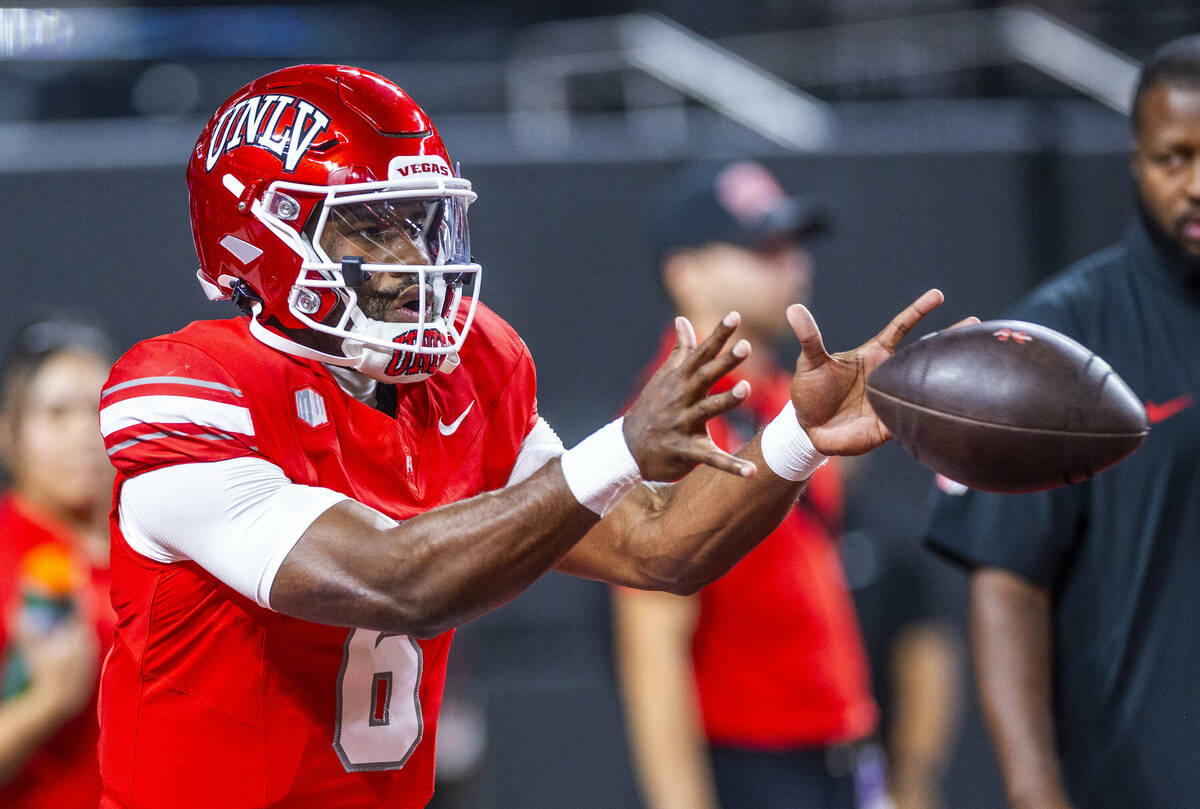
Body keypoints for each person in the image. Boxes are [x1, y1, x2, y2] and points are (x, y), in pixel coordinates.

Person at [96, 65, 952, 809]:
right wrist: (619, 446)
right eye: (371, 225)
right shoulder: (194, 392)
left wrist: (796, 437)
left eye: (418, 220)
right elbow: (392, 580)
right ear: (262, 230)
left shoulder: (466, 372)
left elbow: (659, 546)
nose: (412, 257)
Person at [613, 161, 955, 809]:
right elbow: (651, 652)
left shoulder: (778, 399)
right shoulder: (671, 423)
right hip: (754, 766)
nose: (793, 264)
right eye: (760, 248)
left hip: (839, 756)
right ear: (685, 273)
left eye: (793, 244)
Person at [925, 35, 1200, 809]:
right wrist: (1033, 786)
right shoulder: (1063, 339)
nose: (1197, 184)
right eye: (1173, 158)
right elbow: (1009, 581)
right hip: (1135, 784)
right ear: (1135, 162)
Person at [0, 315, 117, 809]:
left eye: (98, 409)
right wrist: (42, 704)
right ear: (9, 431)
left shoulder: (153, 549)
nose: (83, 434)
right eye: (56, 413)